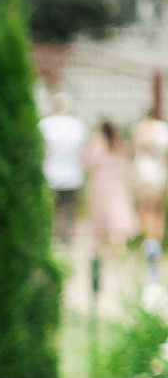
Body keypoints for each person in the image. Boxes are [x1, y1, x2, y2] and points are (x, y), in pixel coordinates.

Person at [85, 120, 140, 257]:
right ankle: (119, 251)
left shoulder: (98, 141)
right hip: (118, 184)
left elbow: (90, 162)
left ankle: (100, 254)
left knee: (102, 218)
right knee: (118, 217)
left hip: (102, 184)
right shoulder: (120, 142)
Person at [41, 93, 89, 246]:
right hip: (72, 175)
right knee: (69, 212)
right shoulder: (77, 126)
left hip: (51, 175)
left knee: (52, 212)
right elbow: (84, 153)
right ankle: (66, 242)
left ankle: (54, 242)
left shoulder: (45, 125)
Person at [131, 107, 168, 280]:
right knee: (158, 214)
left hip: (144, 175)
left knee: (146, 214)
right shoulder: (163, 130)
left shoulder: (141, 129)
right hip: (159, 176)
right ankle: (156, 251)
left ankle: (150, 255)